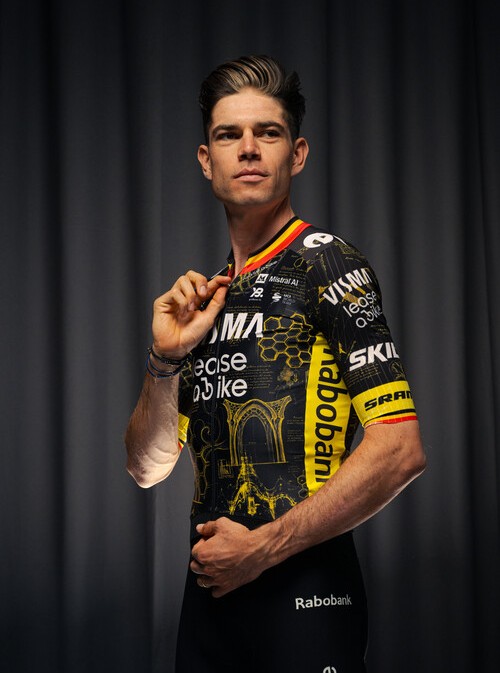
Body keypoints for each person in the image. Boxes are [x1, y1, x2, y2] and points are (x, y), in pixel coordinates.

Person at [125, 55, 426, 673]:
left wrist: (262, 548)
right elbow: (147, 467)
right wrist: (165, 358)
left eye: (268, 132)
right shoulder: (205, 301)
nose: (248, 149)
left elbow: (400, 449)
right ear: (206, 159)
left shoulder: (327, 263)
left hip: (307, 597)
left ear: (298, 153)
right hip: (209, 604)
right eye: (228, 135)